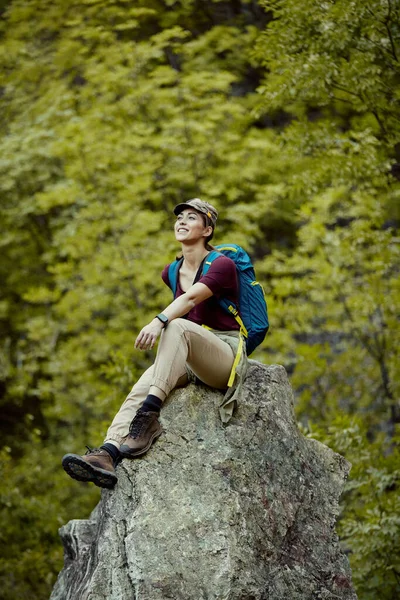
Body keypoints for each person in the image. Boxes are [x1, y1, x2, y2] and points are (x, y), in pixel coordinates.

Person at [62, 199, 248, 489]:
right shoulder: (171, 271)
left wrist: (157, 321)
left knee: (175, 326)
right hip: (189, 351)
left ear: (208, 230)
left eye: (192, 218)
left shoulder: (221, 265)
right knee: (142, 385)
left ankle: (149, 417)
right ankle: (108, 453)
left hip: (223, 356)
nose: (182, 221)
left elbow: (188, 300)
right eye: (180, 217)